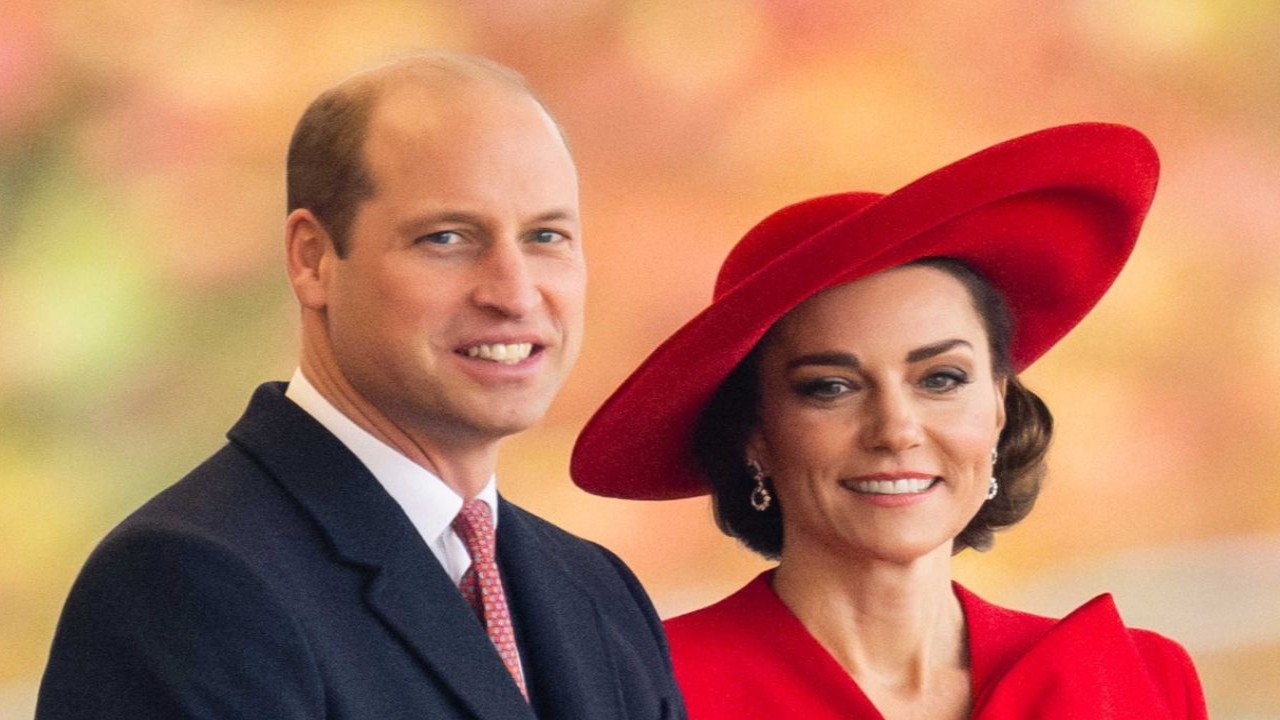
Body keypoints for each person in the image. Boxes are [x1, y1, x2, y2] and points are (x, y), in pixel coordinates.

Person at [38, 52, 684, 720]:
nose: (515, 293)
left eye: (546, 236)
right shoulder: (185, 582)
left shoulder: (598, 594)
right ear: (312, 259)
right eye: (448, 238)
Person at [571, 123, 1208, 718]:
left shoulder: (1142, 683)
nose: (896, 430)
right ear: (752, 434)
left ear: (999, 408)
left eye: (941, 379)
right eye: (831, 388)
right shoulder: (643, 692)